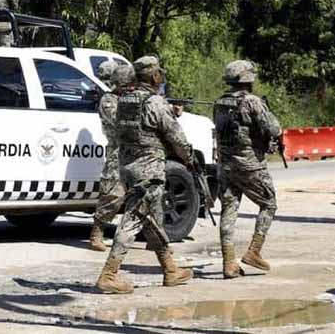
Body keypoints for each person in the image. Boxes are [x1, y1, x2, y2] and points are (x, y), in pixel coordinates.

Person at [96, 56, 194, 294]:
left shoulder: (124, 100)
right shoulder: (154, 102)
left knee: (149, 219)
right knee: (133, 219)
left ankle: (170, 269)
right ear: (153, 76)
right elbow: (176, 137)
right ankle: (108, 275)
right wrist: (189, 158)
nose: (161, 76)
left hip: (128, 166)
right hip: (149, 169)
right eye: (159, 73)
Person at [214, 60, 281, 279]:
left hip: (226, 165)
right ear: (248, 79)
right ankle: (254, 251)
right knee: (269, 204)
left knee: (229, 209)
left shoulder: (219, 102)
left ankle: (229, 262)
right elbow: (274, 129)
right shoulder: (253, 102)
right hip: (250, 165)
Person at [89, 60, 125, 251]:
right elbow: (119, 122)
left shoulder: (123, 98)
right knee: (112, 194)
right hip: (117, 152)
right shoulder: (108, 100)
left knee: (145, 196)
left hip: (133, 152)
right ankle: (97, 233)